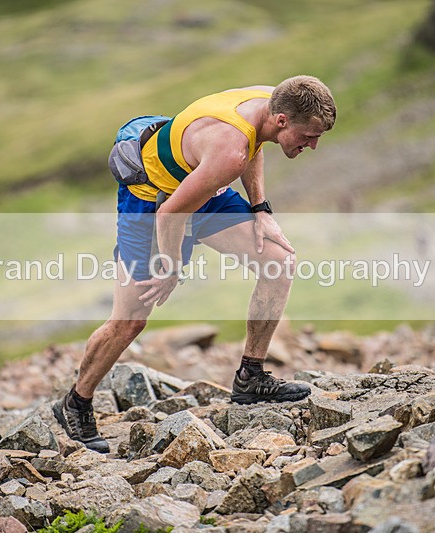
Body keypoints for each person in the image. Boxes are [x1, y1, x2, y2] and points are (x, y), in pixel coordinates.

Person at [53, 76, 337, 452]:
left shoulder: (271, 102)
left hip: (202, 188)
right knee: (130, 320)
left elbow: (254, 144)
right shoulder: (229, 150)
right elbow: (170, 214)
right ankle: (76, 402)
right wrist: (172, 269)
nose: (313, 145)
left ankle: (251, 377)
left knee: (279, 262)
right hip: (153, 198)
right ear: (282, 120)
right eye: (309, 136)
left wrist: (260, 209)